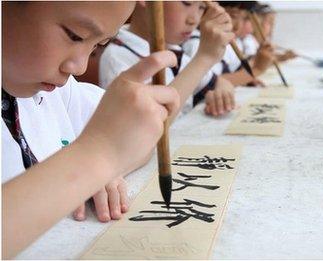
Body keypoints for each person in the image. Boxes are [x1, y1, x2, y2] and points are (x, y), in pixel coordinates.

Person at [2, 2, 180, 258]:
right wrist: (93, 159)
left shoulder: (59, 91)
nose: (80, 67)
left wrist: (100, 166)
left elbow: (135, 135)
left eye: (97, 45)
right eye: (75, 36)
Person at [99, 1, 235, 117]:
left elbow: (219, 82)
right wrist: (204, 59)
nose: (194, 20)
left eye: (201, 7)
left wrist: (220, 94)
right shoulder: (118, 58)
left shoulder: (172, 49)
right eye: (186, 2)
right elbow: (148, 125)